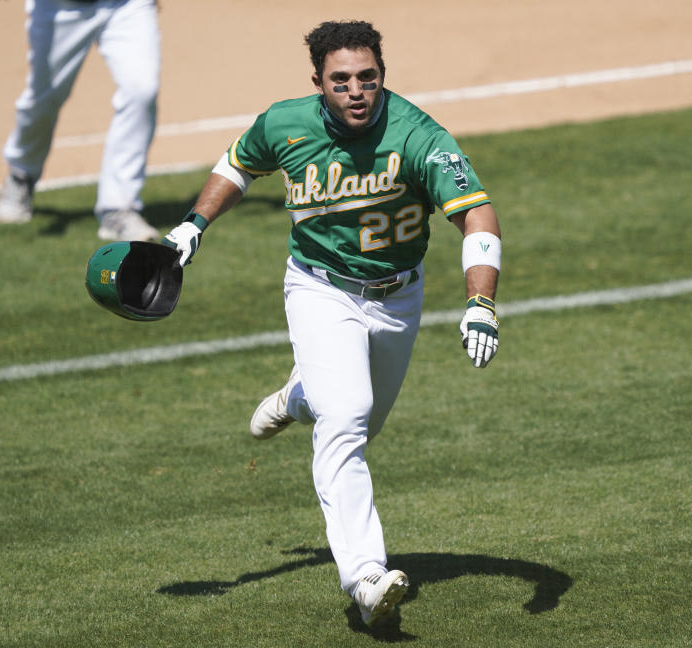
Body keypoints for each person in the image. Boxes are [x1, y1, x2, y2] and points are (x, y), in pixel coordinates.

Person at [163, 20, 502, 627]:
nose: (355, 91)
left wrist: (481, 302)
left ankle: (299, 396)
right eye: (341, 80)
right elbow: (238, 164)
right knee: (344, 422)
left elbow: (476, 216)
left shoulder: (419, 136)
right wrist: (194, 223)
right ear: (318, 82)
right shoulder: (284, 123)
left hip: (399, 299)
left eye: (367, 79)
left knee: (358, 426)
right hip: (320, 288)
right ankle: (366, 578)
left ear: (382, 78)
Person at [0, 0, 161, 241]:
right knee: (43, 101)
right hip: (60, 7)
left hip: (126, 5)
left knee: (141, 91)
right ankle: (22, 174)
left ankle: (119, 208)